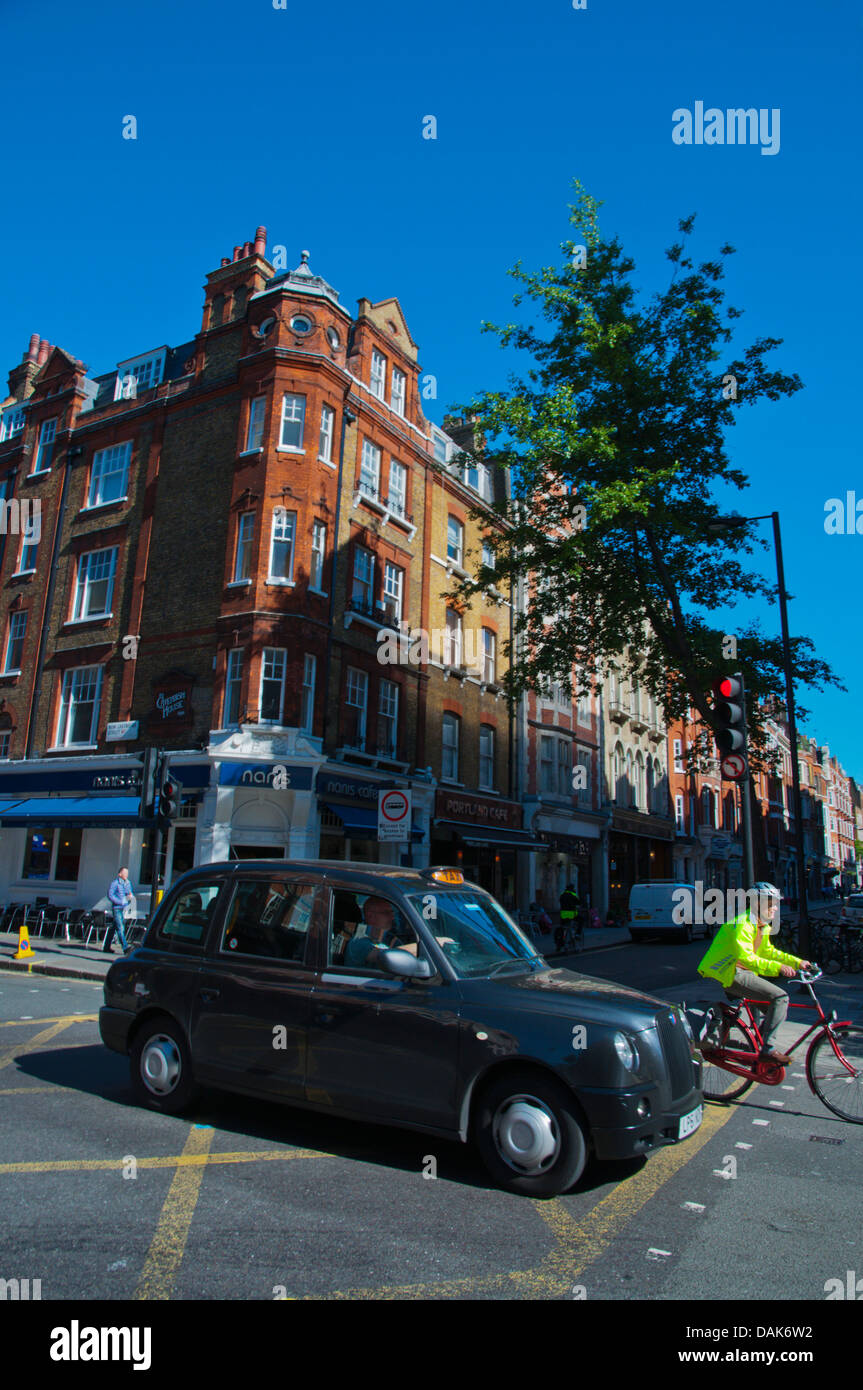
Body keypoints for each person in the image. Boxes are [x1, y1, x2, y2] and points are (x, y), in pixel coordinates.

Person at [696, 882, 812, 1065]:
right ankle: (767, 1050)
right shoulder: (743, 923)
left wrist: (798, 962)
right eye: (772, 903)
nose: (775, 908)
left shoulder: (761, 925)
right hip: (733, 973)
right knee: (780, 998)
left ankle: (755, 1047)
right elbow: (747, 958)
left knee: (777, 1011)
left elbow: (768, 952)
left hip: (745, 972)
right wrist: (778, 968)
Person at [104, 866, 133, 953]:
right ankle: (125, 947)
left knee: (114, 927)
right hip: (117, 908)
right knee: (120, 928)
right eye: (124, 873)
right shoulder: (115, 883)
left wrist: (130, 897)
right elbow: (110, 895)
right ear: (120, 874)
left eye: (127, 873)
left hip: (124, 907)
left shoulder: (128, 883)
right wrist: (119, 902)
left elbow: (129, 892)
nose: (126, 875)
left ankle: (106, 947)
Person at [557, 883, 580, 951]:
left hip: (563, 915)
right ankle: (577, 934)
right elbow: (578, 902)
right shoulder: (573, 894)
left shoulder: (562, 895)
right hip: (572, 915)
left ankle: (559, 944)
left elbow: (560, 901)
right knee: (581, 920)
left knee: (562, 928)